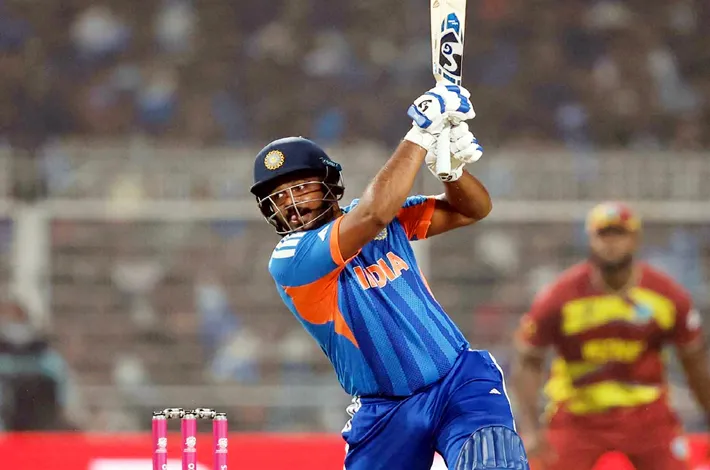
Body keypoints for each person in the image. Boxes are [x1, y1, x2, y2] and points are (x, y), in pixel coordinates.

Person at [250, 85, 529, 470]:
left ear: (329, 182)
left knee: (492, 459)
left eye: (299, 188)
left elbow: (472, 210)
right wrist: (421, 132)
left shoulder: (383, 217)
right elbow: (373, 214)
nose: (291, 204)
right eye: (278, 197)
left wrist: (452, 172)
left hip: (458, 381)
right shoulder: (290, 259)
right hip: (385, 411)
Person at [511, 202, 710, 470]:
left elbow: (695, 361)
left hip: (648, 418)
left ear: (635, 239)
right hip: (578, 417)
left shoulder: (666, 296)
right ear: (590, 240)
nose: (611, 243)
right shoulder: (560, 296)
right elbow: (528, 360)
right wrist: (530, 430)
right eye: (603, 235)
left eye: (619, 234)